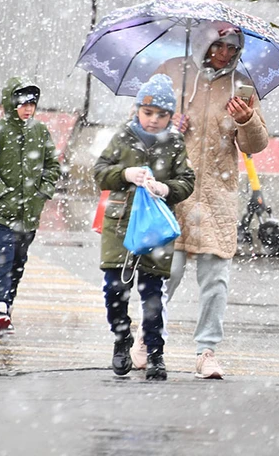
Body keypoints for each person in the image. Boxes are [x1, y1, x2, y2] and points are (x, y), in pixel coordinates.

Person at [151, 23, 268, 379]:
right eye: (221, 46)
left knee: (216, 279)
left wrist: (246, 122)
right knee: (164, 274)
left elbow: (256, 144)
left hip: (217, 197)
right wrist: (167, 126)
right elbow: (138, 126)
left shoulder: (240, 87)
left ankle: (207, 351)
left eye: (234, 48)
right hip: (173, 192)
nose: (227, 54)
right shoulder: (171, 73)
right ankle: (147, 339)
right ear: (205, 43)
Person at [93, 74, 195, 380]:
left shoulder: (175, 142)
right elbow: (100, 172)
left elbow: (187, 180)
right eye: (147, 113)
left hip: (155, 228)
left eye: (162, 115)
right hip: (121, 226)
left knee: (152, 295)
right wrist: (125, 174)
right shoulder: (123, 136)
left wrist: (166, 189)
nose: (153, 120)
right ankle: (121, 338)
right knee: (115, 289)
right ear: (137, 110)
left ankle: (155, 353)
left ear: (170, 116)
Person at [0, 77, 61, 337]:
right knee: (3, 255)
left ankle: (5, 308)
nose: (28, 108)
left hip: (28, 214)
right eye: (22, 103)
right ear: (11, 103)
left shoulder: (40, 131)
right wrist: (1, 192)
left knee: (18, 262)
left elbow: (52, 166)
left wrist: (43, 191)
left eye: (32, 103)